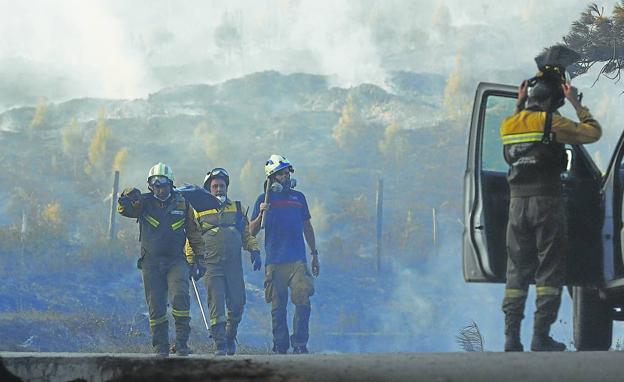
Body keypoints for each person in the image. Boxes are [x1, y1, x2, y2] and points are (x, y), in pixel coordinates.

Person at [500, 56, 602, 352]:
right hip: (547, 201)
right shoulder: (552, 122)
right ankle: (540, 336)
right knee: (549, 270)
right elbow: (593, 133)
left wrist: (519, 105)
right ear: (553, 99)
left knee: (516, 272)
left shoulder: (509, 124)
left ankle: (510, 337)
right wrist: (576, 104)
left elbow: (518, 136)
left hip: (516, 205)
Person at [117, 162, 206, 357]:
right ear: (150, 186)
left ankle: (182, 343)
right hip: (151, 263)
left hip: (176, 261)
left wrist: (200, 258)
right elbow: (125, 211)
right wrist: (125, 197)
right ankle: (161, 346)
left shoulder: (183, 203)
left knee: (180, 297)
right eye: (155, 185)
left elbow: (194, 232)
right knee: (156, 305)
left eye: (163, 185)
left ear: (171, 184)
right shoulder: (143, 203)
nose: (160, 189)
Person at [185, 167, 262, 356]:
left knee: (237, 303)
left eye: (222, 185)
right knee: (216, 304)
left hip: (234, 265)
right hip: (211, 265)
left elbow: (246, 233)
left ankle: (230, 335)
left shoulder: (237, 208)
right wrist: (190, 260)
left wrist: (254, 249)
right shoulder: (197, 211)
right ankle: (220, 344)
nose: (219, 189)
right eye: (215, 186)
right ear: (208, 189)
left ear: (227, 187)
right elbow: (191, 238)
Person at [249, 155, 320, 354]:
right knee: (278, 305)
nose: (286, 176)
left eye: (288, 172)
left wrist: (314, 253)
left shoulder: (299, 198)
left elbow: (307, 226)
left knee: (303, 296)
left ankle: (299, 343)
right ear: (272, 178)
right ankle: (280, 346)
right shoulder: (263, 199)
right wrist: (261, 213)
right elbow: (251, 231)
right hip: (274, 261)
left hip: (297, 260)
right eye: (281, 173)